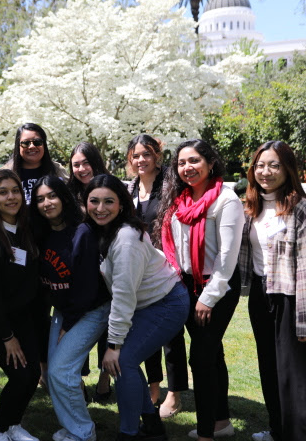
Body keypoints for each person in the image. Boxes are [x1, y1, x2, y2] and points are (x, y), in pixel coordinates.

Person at [84, 174, 189, 441]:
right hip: (148, 304)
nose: (100, 208)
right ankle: (152, 426)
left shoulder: (126, 238)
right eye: (94, 201)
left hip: (166, 304)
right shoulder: (104, 231)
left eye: (109, 201)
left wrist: (114, 345)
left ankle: (129, 433)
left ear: (121, 204)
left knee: (123, 361)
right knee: (126, 363)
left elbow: (123, 296)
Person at [157, 139, 245, 441]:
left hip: (217, 288)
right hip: (187, 286)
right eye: (181, 163)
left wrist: (208, 298)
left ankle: (206, 433)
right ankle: (221, 422)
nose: (187, 168)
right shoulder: (180, 199)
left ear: (210, 163)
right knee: (212, 354)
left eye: (194, 161)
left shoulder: (226, 199)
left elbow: (228, 257)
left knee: (202, 357)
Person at [239, 141, 306, 441]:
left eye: (274, 165)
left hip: (290, 297)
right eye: (260, 165)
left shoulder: (300, 208)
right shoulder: (251, 205)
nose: (266, 172)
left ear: (288, 169)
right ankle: (277, 429)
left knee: (294, 373)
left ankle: (300, 435)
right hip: (261, 296)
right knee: (269, 366)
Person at [29, 176, 111, 441]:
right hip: (63, 311)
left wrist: (67, 324)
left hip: (90, 310)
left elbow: (86, 286)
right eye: (40, 199)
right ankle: (72, 426)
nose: (46, 203)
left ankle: (84, 432)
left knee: (61, 371)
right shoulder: (40, 234)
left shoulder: (82, 232)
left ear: (64, 197)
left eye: (51, 196)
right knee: (56, 374)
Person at [0, 169, 44, 441]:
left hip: (21, 318)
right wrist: (7, 337)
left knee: (33, 373)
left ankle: (14, 424)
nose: (11, 197)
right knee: (21, 376)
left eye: (15, 191)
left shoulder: (23, 230)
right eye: (3, 192)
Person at [125, 134, 188, 417]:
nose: (141, 160)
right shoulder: (131, 189)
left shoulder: (171, 187)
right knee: (146, 328)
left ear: (157, 157)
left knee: (172, 335)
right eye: (136, 155)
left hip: (169, 269)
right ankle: (154, 387)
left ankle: (174, 393)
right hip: (142, 270)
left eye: (146, 154)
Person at [65, 141, 112, 403]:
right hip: (78, 269)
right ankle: (79, 380)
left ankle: (105, 380)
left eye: (86, 162)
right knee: (79, 322)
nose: (82, 169)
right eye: (76, 164)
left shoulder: (110, 187)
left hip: (108, 267)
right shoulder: (69, 195)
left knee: (108, 326)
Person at [1, 123, 68, 204]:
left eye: (37, 142)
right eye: (25, 143)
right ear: (18, 146)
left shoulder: (57, 170)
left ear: (44, 145)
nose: (32, 146)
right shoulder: (4, 173)